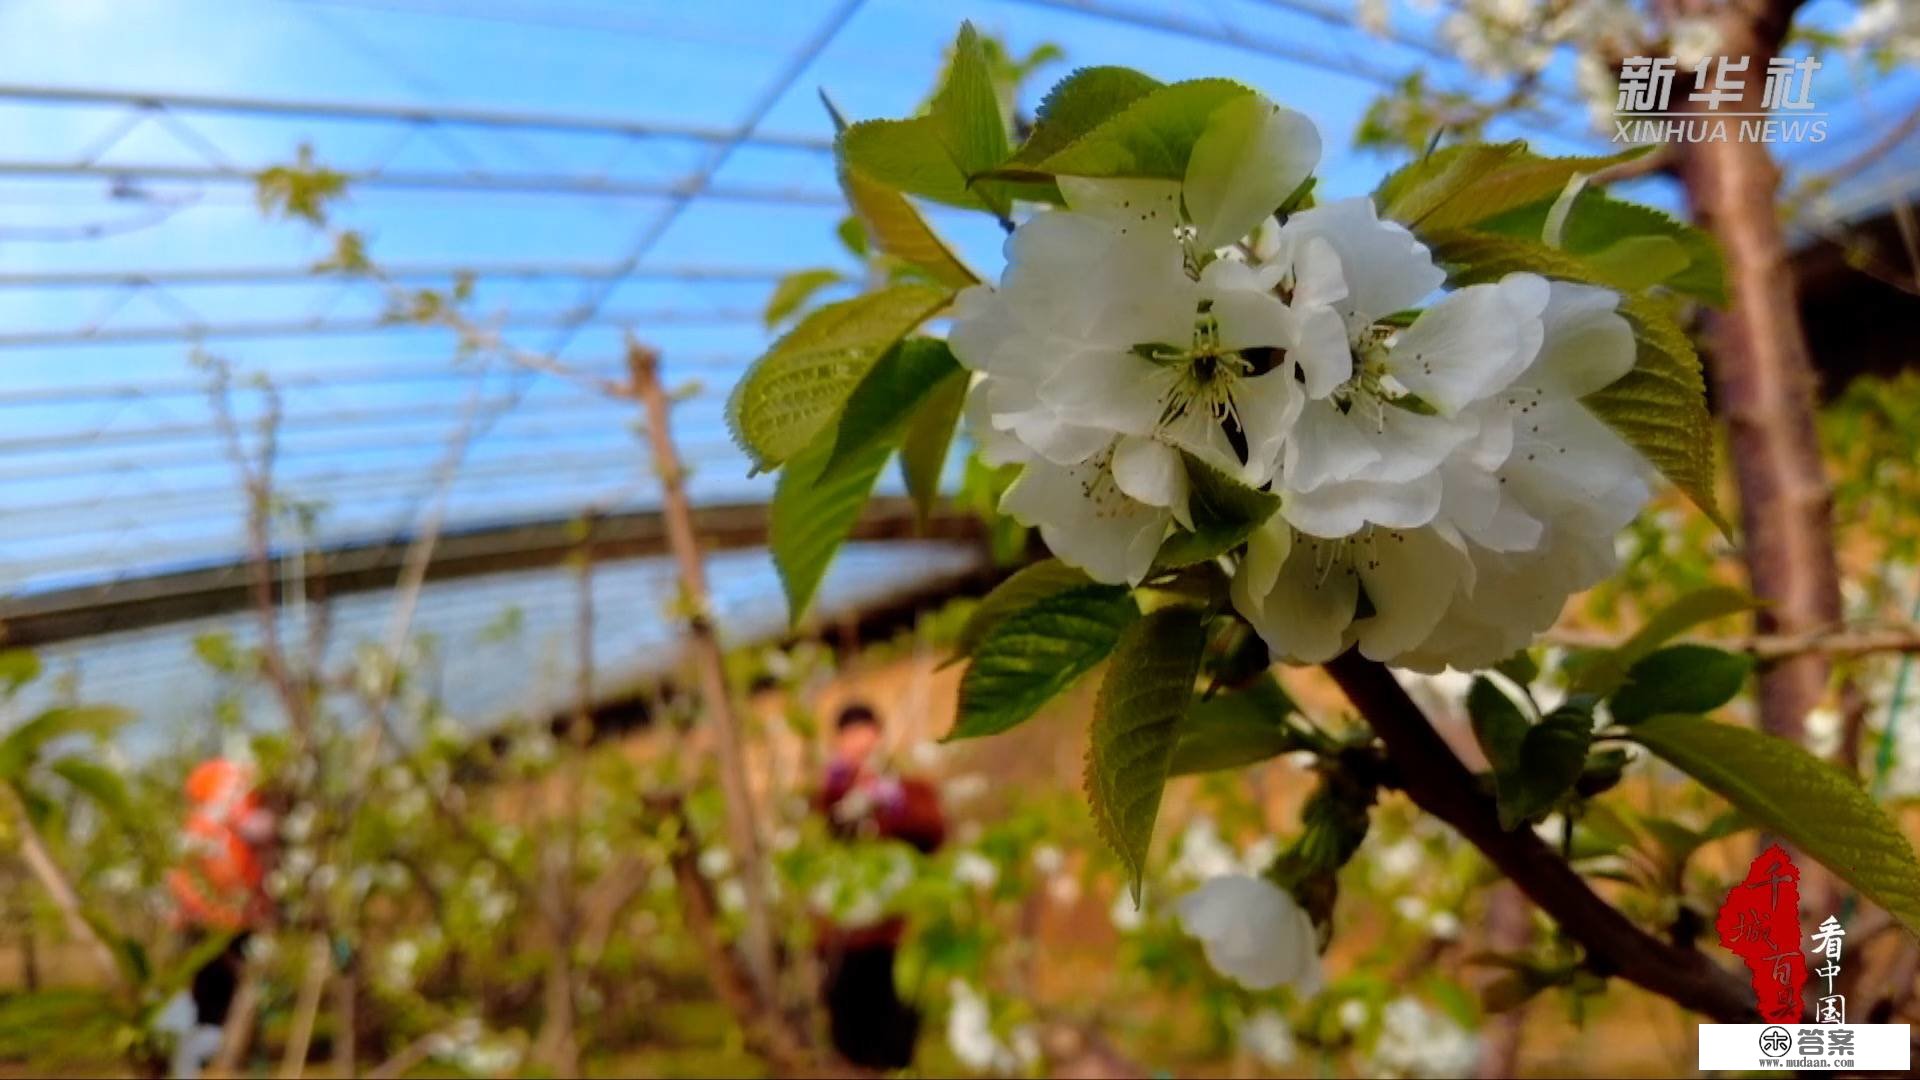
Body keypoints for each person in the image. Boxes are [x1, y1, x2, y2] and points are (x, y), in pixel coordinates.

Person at [815, 703, 944, 1069]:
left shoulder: (907, 787)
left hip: (895, 932)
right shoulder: (830, 792)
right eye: (850, 735)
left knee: (895, 1033)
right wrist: (843, 794)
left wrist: (891, 802)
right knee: (849, 1035)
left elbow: (934, 830)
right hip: (845, 936)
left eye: (866, 733)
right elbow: (821, 836)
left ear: (880, 737)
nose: (860, 744)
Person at [158, 757, 278, 1079]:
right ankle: (205, 1058)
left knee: (229, 999)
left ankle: (219, 1057)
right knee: (211, 998)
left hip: (234, 923)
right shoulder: (207, 828)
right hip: (212, 925)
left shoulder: (216, 825)